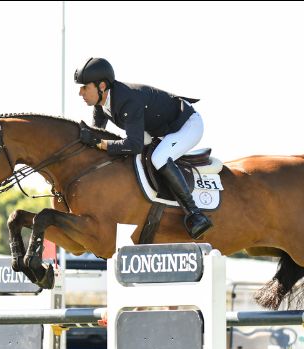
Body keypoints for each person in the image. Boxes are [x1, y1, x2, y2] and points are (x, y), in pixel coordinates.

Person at [74, 57, 213, 239]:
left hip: (186, 125)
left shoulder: (128, 101)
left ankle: (195, 214)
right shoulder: (101, 103)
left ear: (101, 86)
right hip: (157, 128)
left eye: (85, 87)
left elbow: (132, 144)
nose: (80, 93)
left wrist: (100, 144)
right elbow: (97, 134)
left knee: (158, 158)